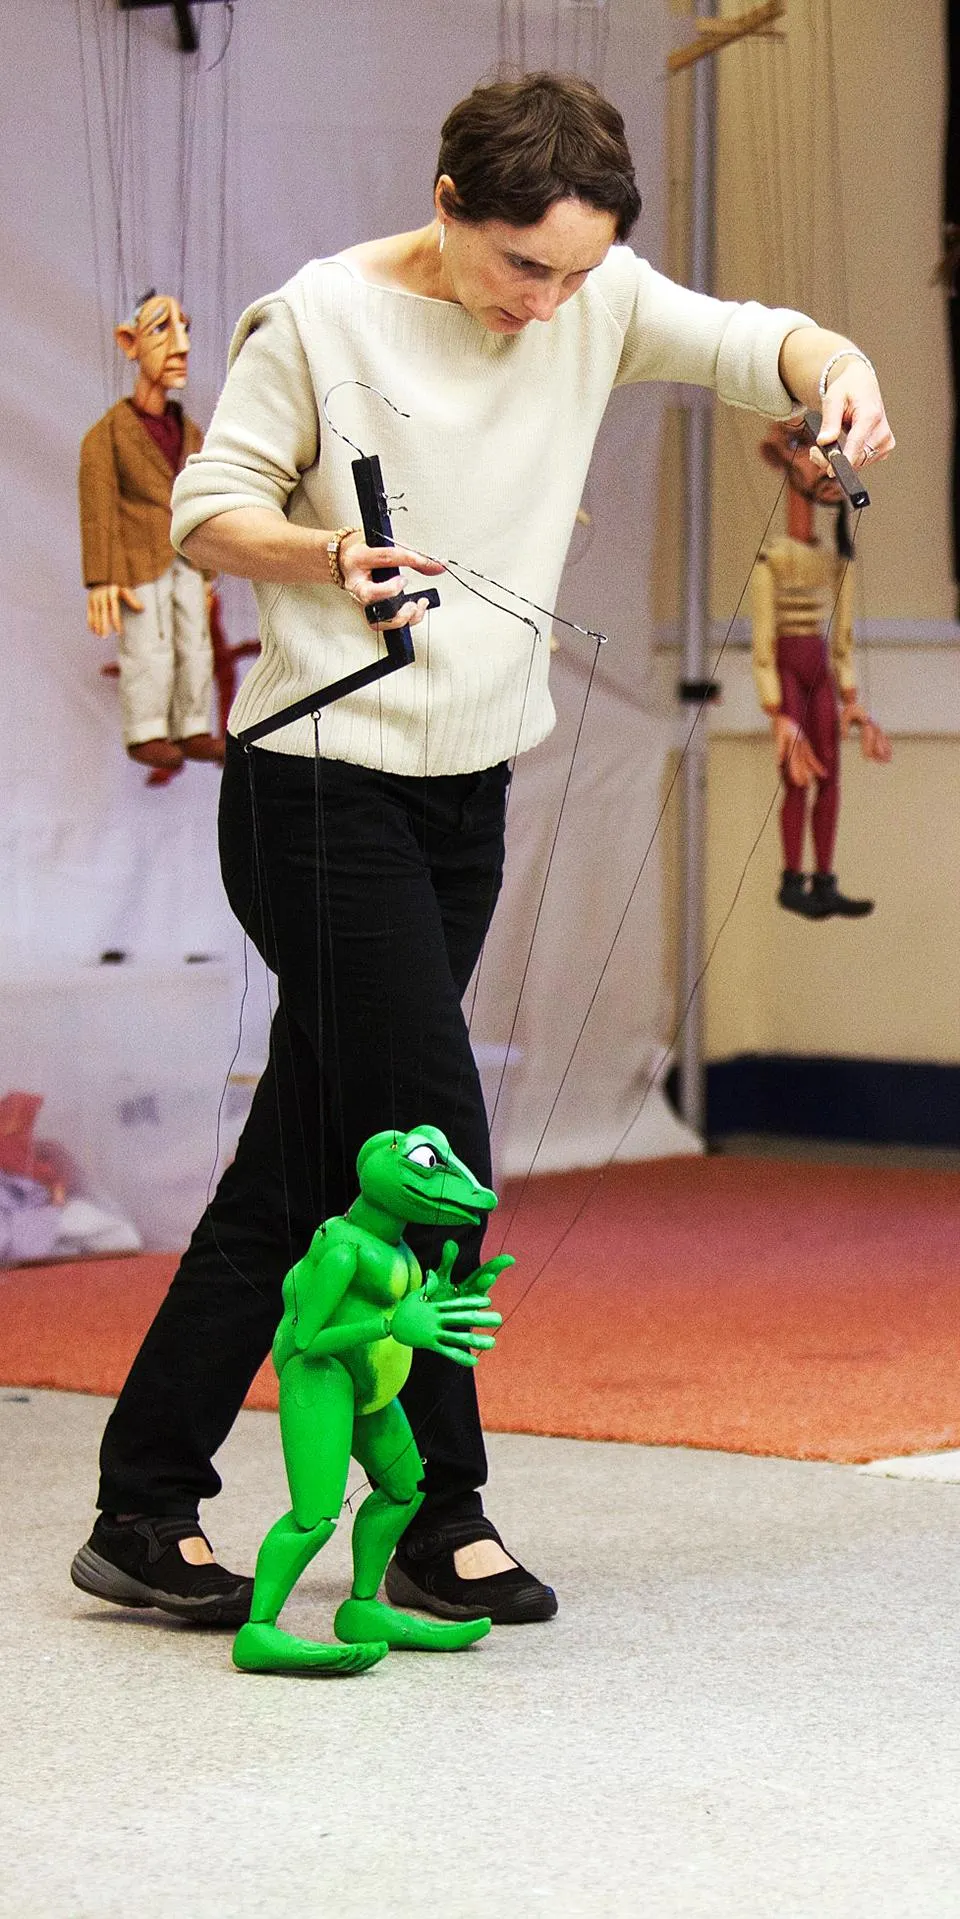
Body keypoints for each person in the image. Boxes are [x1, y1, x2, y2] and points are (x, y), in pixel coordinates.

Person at [71, 71, 895, 1631]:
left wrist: (839, 372)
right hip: (317, 788)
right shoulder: (312, 321)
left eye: (581, 272)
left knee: (311, 1156)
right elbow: (203, 509)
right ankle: (441, 1510)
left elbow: (757, 343)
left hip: (461, 797)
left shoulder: (594, 293)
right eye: (526, 266)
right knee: (430, 1141)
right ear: (447, 207)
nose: (553, 303)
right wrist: (329, 553)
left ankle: (142, 1499)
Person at [78, 291, 224, 774]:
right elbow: (98, 509)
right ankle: (146, 730)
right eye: (163, 329)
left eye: (185, 327)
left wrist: (208, 570)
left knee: (194, 644)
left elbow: (206, 500)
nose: (181, 345)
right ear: (129, 342)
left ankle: (193, 725)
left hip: (186, 557)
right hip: (138, 561)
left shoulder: (194, 435)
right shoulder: (107, 436)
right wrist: (102, 579)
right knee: (147, 645)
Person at [751, 421, 893, 918]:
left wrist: (852, 699)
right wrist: (778, 714)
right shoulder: (772, 560)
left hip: (819, 675)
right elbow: (764, 644)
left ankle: (825, 879)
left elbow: (842, 641)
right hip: (790, 672)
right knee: (797, 773)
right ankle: (793, 879)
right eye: (797, 448)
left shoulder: (836, 564)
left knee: (829, 773)